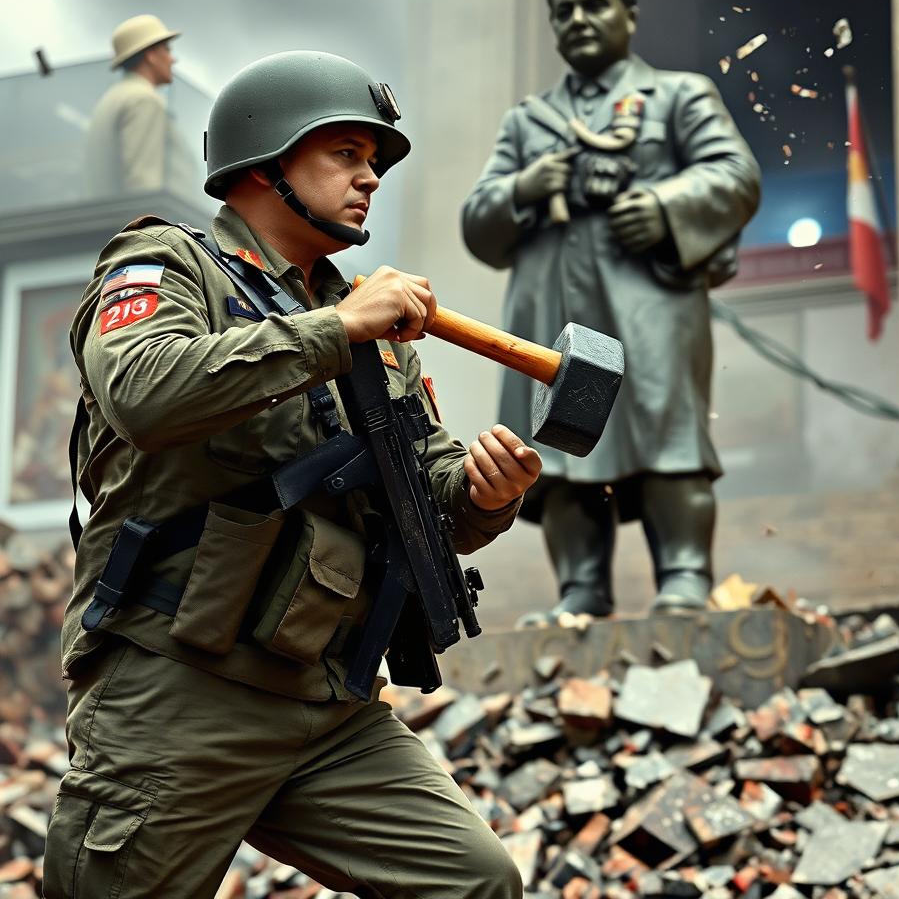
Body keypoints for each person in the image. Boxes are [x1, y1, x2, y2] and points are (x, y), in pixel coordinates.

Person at [44, 51, 538, 899]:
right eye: (344, 153)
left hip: (328, 699)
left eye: (373, 160)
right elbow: (143, 392)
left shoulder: (367, 321)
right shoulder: (168, 263)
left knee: (477, 883)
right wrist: (333, 330)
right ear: (266, 162)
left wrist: (484, 491)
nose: (370, 177)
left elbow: (428, 489)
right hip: (179, 690)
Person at [461, 0, 761, 623]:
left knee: (667, 438)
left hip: (647, 311)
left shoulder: (680, 96)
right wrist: (523, 188)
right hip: (552, 311)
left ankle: (684, 576)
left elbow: (736, 175)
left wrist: (664, 206)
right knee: (562, 453)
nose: (578, 20)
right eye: (563, 11)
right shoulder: (528, 122)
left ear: (629, 14)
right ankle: (580, 591)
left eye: (594, 5)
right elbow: (478, 225)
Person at [83, 13, 197, 197]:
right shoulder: (143, 100)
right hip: (149, 221)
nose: (172, 59)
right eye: (167, 50)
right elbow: (144, 184)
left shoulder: (113, 98)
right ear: (151, 55)